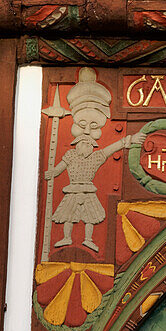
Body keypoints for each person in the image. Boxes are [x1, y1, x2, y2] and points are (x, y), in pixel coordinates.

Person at [46, 68, 143, 252]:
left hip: (88, 189)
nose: (88, 132)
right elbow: (60, 167)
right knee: (69, 215)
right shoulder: (71, 155)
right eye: (82, 125)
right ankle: (66, 237)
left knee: (90, 217)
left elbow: (109, 149)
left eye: (94, 126)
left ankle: (88, 239)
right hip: (73, 189)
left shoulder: (96, 157)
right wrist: (52, 173)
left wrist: (127, 141)